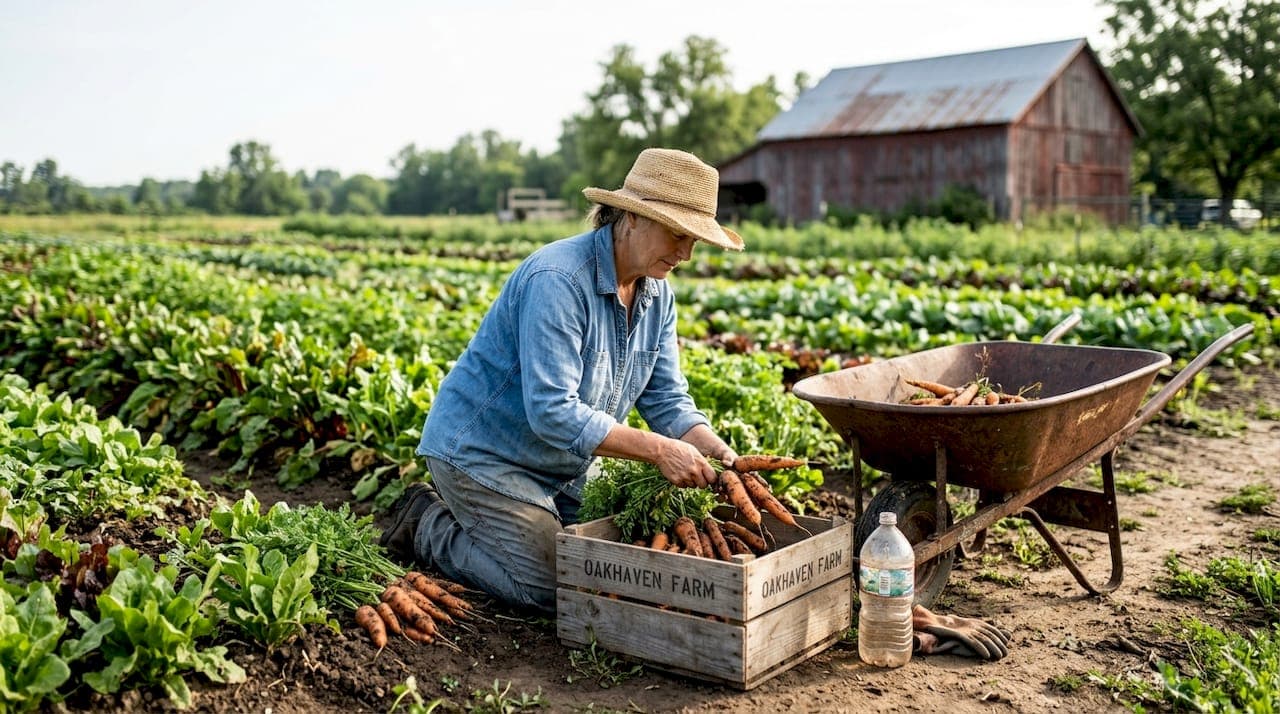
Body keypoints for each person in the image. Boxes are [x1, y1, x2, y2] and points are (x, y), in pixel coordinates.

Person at [380, 147, 1010, 661]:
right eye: (677, 235)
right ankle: (429, 525)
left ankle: (528, 523)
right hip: (483, 455)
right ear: (629, 218)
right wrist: (658, 451)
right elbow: (551, 411)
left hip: (564, 462)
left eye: (694, 242)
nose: (684, 254)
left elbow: (667, 399)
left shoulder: (656, 293)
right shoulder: (558, 282)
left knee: (621, 556)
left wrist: (715, 450)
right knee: (556, 584)